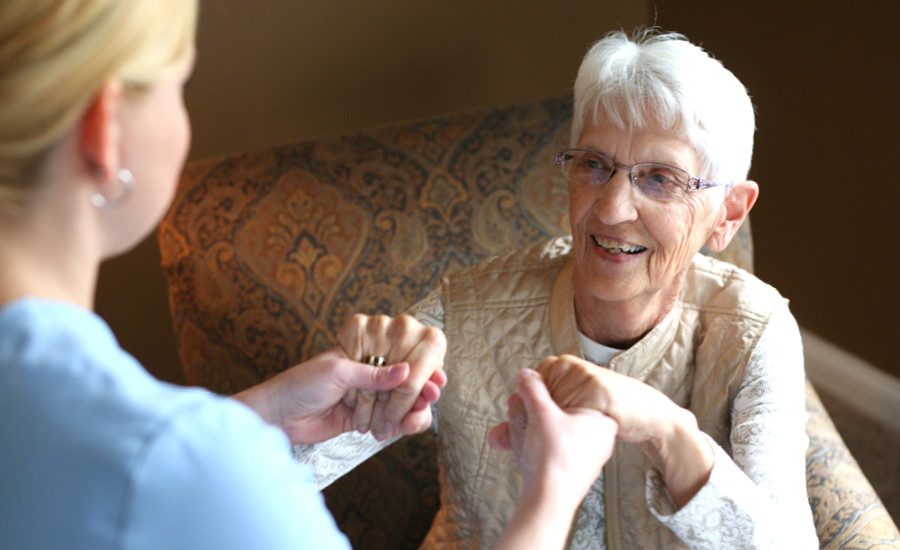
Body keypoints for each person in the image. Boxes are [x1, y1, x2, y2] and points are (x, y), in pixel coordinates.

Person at [0, 1, 619, 549]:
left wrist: (258, 417)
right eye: (179, 85)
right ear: (105, 129)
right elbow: (158, 476)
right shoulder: (185, 467)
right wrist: (553, 489)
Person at [303, 29, 819, 549]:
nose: (613, 209)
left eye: (661, 178)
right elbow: (241, 471)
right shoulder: (470, 312)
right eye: (594, 165)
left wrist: (670, 433)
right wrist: (352, 381)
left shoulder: (752, 331)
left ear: (729, 213)